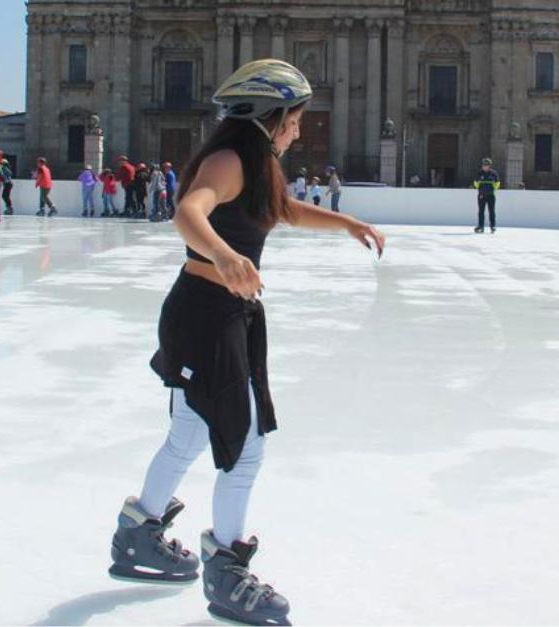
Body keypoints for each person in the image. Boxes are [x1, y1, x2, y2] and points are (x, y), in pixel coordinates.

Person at [107, 59, 385, 627]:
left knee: (187, 433)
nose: (300, 129)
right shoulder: (229, 160)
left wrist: (347, 223)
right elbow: (188, 211)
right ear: (271, 116)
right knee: (245, 443)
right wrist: (226, 255)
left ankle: (139, 534)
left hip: (216, 315)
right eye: (296, 119)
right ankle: (227, 570)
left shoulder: (254, 165)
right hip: (208, 317)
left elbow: (281, 212)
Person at [473, 158, 500, 234]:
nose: (484, 166)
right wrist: (480, 189)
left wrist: (492, 189)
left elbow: (497, 183)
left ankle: (492, 226)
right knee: (481, 211)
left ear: (489, 166)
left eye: (486, 165)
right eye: (484, 165)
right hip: (481, 195)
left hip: (491, 195)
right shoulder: (479, 173)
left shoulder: (494, 173)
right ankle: (481, 226)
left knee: (492, 211)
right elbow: (475, 183)